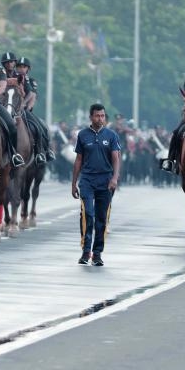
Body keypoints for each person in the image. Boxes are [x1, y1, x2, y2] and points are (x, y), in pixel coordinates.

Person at [70, 103, 122, 266]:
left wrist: (114, 178)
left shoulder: (111, 135)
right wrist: (74, 183)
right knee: (88, 214)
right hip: (87, 180)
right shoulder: (83, 135)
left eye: (103, 116)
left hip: (105, 181)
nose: (100, 119)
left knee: (101, 218)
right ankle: (86, 251)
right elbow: (78, 160)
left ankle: (97, 253)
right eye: (97, 116)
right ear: (91, 117)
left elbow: (116, 158)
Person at [15, 56, 55, 165]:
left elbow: (33, 95)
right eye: (19, 67)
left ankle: (42, 151)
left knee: (39, 127)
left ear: (28, 69)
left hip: (25, 110)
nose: (21, 69)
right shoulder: (11, 78)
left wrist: (26, 106)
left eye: (24, 67)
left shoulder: (31, 81)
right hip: (11, 108)